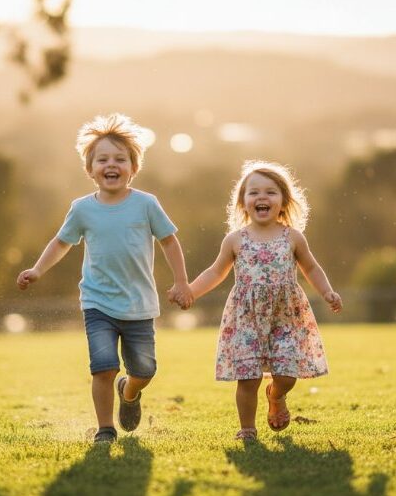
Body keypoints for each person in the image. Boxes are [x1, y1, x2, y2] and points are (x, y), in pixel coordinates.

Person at [17, 113, 193, 444]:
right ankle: (105, 429)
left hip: (139, 305)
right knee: (103, 366)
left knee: (144, 371)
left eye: (119, 159)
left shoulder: (146, 204)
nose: (111, 165)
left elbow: (169, 241)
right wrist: (37, 269)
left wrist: (181, 282)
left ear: (133, 167)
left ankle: (129, 391)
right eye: (102, 159)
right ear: (90, 169)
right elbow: (61, 242)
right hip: (98, 302)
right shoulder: (82, 209)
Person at [171, 160, 341, 440]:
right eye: (254, 192)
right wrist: (190, 291)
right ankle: (247, 429)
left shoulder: (293, 238)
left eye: (271, 192)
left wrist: (327, 292)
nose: (262, 197)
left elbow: (311, 268)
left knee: (287, 375)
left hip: (285, 315)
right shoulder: (235, 240)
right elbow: (216, 272)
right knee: (247, 378)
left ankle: (276, 395)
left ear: (284, 202)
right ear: (243, 203)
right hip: (246, 317)